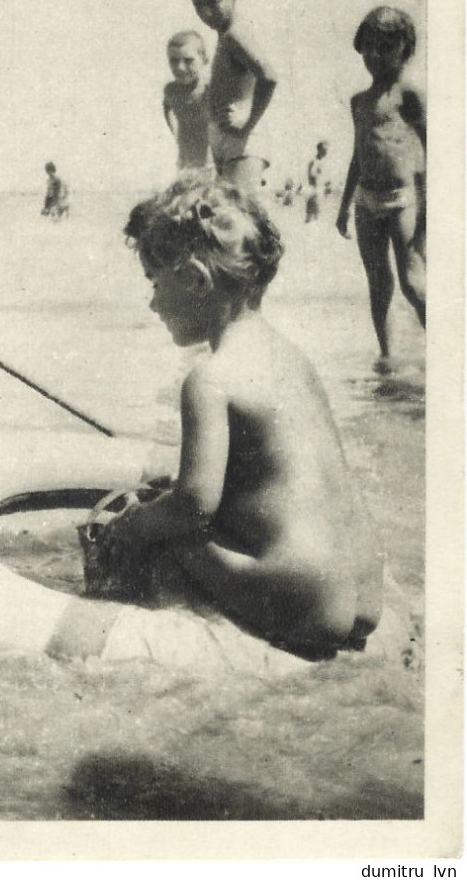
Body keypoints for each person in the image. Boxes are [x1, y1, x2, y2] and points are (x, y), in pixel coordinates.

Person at [95, 174, 384, 659]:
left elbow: (193, 506)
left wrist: (132, 523)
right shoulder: (292, 358)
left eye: (155, 282)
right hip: (363, 588)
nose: (151, 302)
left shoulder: (210, 378)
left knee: (154, 539)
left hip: (305, 601)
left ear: (194, 280)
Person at [336, 7, 426, 372]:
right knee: (377, 280)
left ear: (404, 50)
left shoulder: (409, 95)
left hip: (402, 199)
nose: (375, 56)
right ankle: (387, 353)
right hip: (365, 200)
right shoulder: (360, 101)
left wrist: (429, 209)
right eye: (368, 47)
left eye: (385, 48)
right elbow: (358, 157)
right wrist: (343, 207)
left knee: (411, 279)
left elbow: (434, 148)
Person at [186, 0, 276, 191]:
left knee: (235, 221)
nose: (206, 12)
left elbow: (269, 76)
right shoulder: (225, 34)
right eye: (198, 5)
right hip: (228, 143)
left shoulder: (235, 34)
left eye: (214, 2)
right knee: (228, 220)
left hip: (243, 143)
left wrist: (247, 123)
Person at [162, 31, 212, 171]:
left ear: (205, 60)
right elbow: (166, 108)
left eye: (188, 61)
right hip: (185, 155)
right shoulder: (171, 90)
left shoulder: (208, 89)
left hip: (210, 157)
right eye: (174, 60)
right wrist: (174, 132)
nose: (180, 67)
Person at [305, 141, 328, 223]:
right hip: (314, 191)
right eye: (325, 149)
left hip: (314, 191)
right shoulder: (315, 161)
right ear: (319, 150)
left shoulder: (317, 161)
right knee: (314, 218)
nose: (326, 151)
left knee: (312, 218)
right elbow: (312, 174)